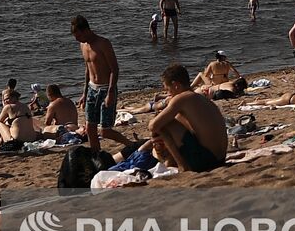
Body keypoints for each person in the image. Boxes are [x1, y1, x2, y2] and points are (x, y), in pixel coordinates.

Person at [140, 64, 227, 172]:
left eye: (168, 90)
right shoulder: (200, 98)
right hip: (220, 159)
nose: (168, 94)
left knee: (163, 124)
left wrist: (161, 114)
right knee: (171, 118)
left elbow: (153, 126)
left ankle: (182, 166)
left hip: (205, 161)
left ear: (175, 85)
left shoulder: (181, 98)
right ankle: (173, 161)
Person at [71, 15, 132, 154]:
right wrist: (84, 93)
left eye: (78, 35)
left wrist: (110, 92)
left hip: (106, 88)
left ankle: (130, 144)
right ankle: (96, 155)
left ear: (86, 30)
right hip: (92, 89)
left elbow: (114, 69)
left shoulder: (103, 43)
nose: (77, 39)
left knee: (105, 131)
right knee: (90, 128)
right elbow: (87, 69)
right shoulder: (83, 45)